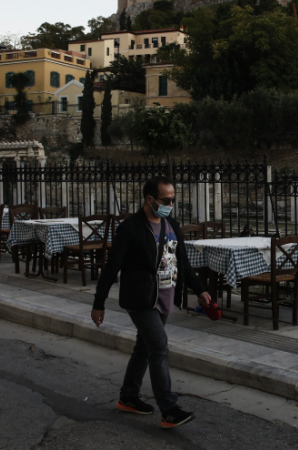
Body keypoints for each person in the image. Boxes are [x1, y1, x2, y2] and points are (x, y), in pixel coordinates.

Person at [91, 177, 212, 429]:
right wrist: (99, 302)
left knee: (144, 349)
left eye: (173, 199)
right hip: (141, 299)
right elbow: (112, 267)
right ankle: (169, 409)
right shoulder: (131, 228)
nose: (171, 204)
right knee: (159, 349)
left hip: (165, 296)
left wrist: (200, 290)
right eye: (166, 200)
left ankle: (128, 397)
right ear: (150, 199)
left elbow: (183, 263)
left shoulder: (172, 225)